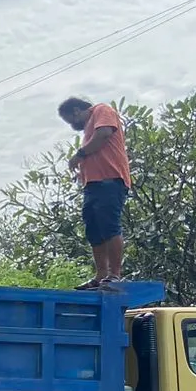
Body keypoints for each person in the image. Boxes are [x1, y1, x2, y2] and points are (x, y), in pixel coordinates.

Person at [57, 96, 131, 289]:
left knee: (109, 225)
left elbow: (104, 134)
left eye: (71, 120)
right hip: (93, 184)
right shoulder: (90, 126)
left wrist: (79, 154)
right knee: (94, 228)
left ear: (76, 111)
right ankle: (100, 275)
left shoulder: (101, 110)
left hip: (110, 180)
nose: (73, 125)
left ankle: (114, 274)